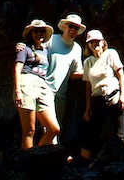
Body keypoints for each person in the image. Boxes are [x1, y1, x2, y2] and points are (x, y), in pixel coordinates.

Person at [80, 29, 124, 159]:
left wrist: (123, 96)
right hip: (97, 101)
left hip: (114, 98)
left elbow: (121, 76)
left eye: (97, 41)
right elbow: (88, 86)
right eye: (91, 42)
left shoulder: (110, 54)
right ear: (88, 45)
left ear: (102, 42)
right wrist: (87, 107)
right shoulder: (87, 62)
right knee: (90, 133)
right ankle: (81, 164)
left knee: (120, 133)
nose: (94, 44)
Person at [13, 19, 60, 149]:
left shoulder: (45, 50)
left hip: (42, 85)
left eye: (42, 31)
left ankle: (37, 153)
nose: (39, 33)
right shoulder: (24, 48)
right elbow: (17, 68)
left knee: (54, 128)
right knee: (29, 129)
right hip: (26, 82)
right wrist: (17, 91)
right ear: (31, 33)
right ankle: (27, 159)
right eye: (36, 31)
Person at [46, 13, 86, 146]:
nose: (73, 30)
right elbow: (36, 53)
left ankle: (50, 155)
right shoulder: (51, 40)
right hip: (44, 90)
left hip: (60, 94)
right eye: (71, 26)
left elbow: (75, 74)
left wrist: (93, 71)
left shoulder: (77, 49)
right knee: (46, 126)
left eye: (76, 27)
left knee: (56, 125)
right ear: (64, 26)